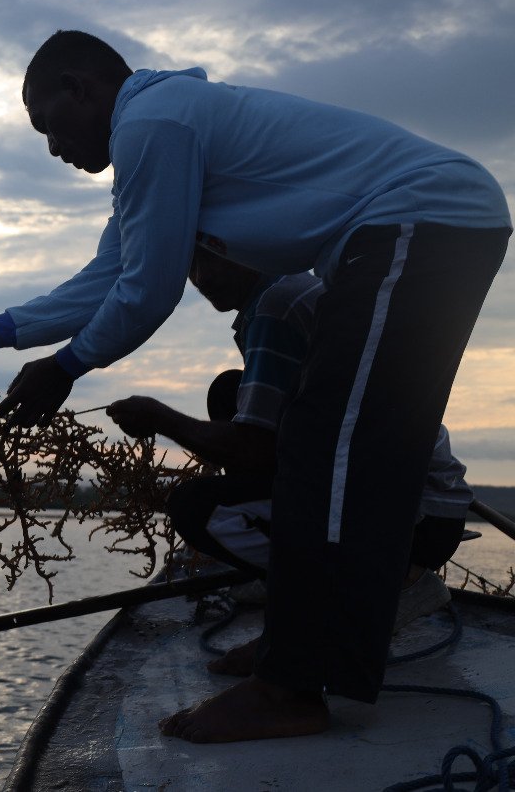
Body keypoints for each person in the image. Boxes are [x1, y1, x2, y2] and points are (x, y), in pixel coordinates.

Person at [0, 30, 510, 743]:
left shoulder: (153, 122)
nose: (53, 149)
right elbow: (109, 277)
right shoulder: (160, 133)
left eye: (49, 125)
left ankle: (293, 686)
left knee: (335, 445)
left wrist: (65, 366)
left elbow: (148, 289)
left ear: (82, 87)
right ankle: (295, 652)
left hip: (423, 217)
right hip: (401, 232)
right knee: (322, 443)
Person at [106, 249, 474, 674]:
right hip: (417, 503)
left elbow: (253, 448)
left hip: (408, 521)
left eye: (217, 256)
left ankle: (372, 592)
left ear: (255, 243)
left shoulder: (277, 309)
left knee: (196, 508)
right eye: (191, 263)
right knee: (231, 392)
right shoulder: (289, 291)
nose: (202, 276)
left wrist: (159, 417)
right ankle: (286, 583)